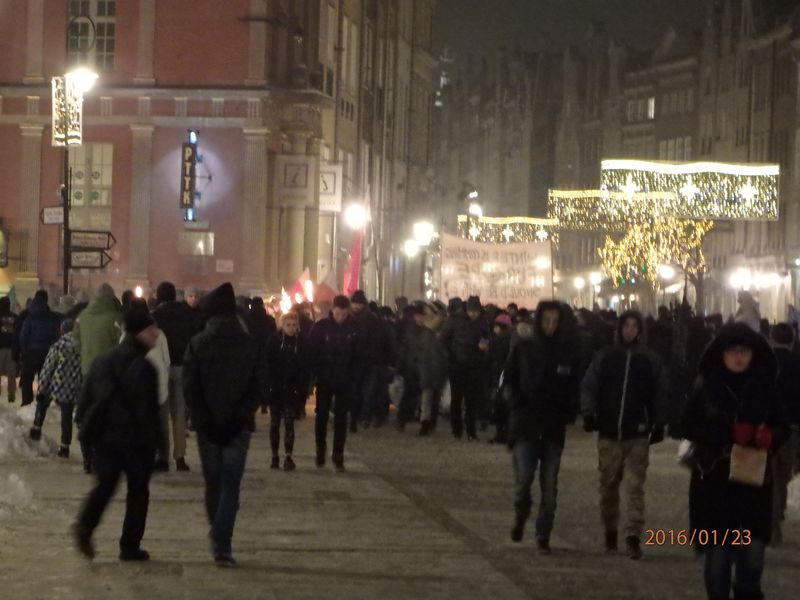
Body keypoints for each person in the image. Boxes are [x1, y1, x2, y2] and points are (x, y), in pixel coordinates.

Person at [681, 323, 788, 600]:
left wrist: (769, 436)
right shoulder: (707, 385)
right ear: (722, 353)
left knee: (753, 557)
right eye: (732, 351)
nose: (739, 357)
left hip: (754, 483)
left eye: (744, 351)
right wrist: (726, 433)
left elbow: (782, 426)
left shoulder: (765, 386)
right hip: (715, 482)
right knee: (717, 558)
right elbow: (687, 425)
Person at [183, 282, 265, 567]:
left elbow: (190, 388)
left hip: (208, 427)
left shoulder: (198, 344)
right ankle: (222, 543)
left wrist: (204, 418)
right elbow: (257, 387)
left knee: (213, 482)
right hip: (238, 426)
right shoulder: (249, 344)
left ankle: (217, 533)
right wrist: (239, 416)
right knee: (231, 483)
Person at [73, 302, 161, 562]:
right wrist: (157, 446)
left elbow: (85, 399)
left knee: (104, 486)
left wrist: (85, 423)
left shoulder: (102, 360)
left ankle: (85, 526)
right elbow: (148, 412)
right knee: (138, 492)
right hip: (134, 441)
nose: (155, 335)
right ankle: (130, 546)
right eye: (151, 330)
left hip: (105, 438)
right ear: (138, 333)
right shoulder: (144, 367)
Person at [581, 310, 668, 559]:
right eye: (626, 326)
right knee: (608, 486)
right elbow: (589, 386)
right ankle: (610, 532)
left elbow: (660, 392)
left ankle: (633, 536)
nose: (629, 330)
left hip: (637, 433)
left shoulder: (650, 360)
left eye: (634, 326)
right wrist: (588, 413)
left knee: (634, 487)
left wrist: (659, 422)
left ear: (640, 330)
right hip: (609, 432)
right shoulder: (605, 357)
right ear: (619, 329)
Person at [502, 302, 579, 554]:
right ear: (539, 321)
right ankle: (521, 513)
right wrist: (514, 402)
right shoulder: (523, 348)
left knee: (550, 486)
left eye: (555, 321)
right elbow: (508, 379)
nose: (550, 325)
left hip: (553, 427)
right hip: (526, 424)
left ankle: (543, 534)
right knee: (524, 479)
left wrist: (570, 409)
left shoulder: (566, 353)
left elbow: (573, 386)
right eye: (547, 320)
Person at [152, 281, 200, 471]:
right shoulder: (187, 314)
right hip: (181, 367)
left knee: (162, 414)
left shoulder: (156, 315)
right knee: (179, 413)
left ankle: (163, 457)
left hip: (162, 368)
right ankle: (180, 457)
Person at [308, 295, 356, 471]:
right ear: (332, 310)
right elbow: (312, 351)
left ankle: (338, 455)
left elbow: (359, 354)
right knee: (322, 415)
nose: (340, 317)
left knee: (341, 418)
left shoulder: (354, 328)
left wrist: (355, 376)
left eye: (343, 314)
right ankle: (320, 449)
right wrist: (316, 373)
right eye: (337, 314)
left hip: (345, 379)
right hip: (325, 378)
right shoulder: (321, 327)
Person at [29, 319, 83, 461]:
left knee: (43, 401)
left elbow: (48, 368)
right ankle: (65, 447)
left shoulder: (58, 346)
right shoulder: (82, 346)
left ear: (62, 330)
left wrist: (42, 388)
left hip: (57, 384)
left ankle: (36, 428)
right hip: (74, 386)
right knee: (67, 415)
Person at [265, 311, 310, 470]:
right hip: (276, 389)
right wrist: (268, 386)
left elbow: (305, 367)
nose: (291, 328)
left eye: (294, 325)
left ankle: (288, 456)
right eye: (288, 325)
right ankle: (275, 456)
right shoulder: (274, 341)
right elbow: (267, 364)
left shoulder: (301, 342)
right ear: (282, 325)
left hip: (292, 389)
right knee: (275, 423)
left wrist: (303, 389)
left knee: (289, 424)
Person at [440, 295, 490, 440]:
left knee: (471, 400)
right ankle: (457, 429)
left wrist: (484, 345)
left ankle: (471, 431)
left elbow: (487, 337)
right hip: (457, 364)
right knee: (456, 399)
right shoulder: (454, 320)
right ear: (466, 310)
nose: (474, 314)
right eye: (471, 311)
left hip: (474, 364)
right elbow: (443, 339)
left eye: (476, 312)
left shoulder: (482, 321)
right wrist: (450, 356)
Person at [768, 323, 800, 545]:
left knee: (769, 476)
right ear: (792, 340)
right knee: (784, 475)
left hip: (768, 428)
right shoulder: (798, 363)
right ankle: (777, 513)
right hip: (792, 428)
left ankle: (773, 523)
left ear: (772, 338)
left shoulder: (764, 363)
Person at [19, 291, 61, 405]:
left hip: (31, 353)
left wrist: (24, 351)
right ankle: (42, 403)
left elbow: (23, 337)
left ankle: (27, 402)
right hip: (47, 353)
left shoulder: (29, 318)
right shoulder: (52, 318)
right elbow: (55, 335)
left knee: (27, 378)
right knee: (44, 379)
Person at [75, 283, 123, 375]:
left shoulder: (82, 316)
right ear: (112, 298)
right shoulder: (116, 318)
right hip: (109, 369)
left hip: (87, 367)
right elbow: (122, 342)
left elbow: (76, 340)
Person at [416, 303, 447, 436]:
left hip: (437, 365)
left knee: (433, 397)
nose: (425, 311)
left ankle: (429, 422)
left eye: (428, 309)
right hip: (427, 365)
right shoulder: (423, 327)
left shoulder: (442, 328)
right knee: (427, 397)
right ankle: (425, 423)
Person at [488, 313, 513, 444]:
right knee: (506, 405)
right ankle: (507, 433)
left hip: (500, 374)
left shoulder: (498, 340)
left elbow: (492, 358)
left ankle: (500, 434)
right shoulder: (512, 338)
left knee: (499, 405)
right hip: (508, 375)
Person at [0, 296, 18, 403]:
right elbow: (18, 332)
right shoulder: (15, 317)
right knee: (11, 373)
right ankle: (11, 394)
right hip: (11, 348)